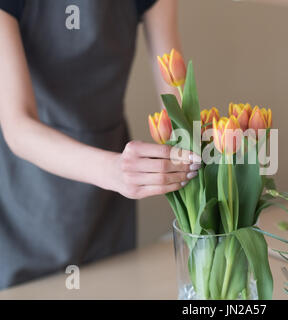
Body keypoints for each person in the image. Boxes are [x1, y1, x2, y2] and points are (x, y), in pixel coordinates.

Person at [0, 0, 200, 289]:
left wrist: (195, 174)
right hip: (28, 197)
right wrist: (113, 171)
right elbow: (18, 125)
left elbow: (175, 92)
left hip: (109, 200)